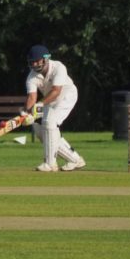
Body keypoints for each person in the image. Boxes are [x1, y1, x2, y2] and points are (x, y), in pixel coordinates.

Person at [23, 44, 85, 172]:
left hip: (67, 95)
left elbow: (56, 91)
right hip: (49, 100)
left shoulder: (58, 67)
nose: (34, 65)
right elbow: (31, 97)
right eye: (32, 62)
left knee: (50, 123)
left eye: (36, 61)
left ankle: (50, 163)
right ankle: (75, 159)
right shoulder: (31, 76)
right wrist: (27, 114)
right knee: (40, 130)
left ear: (45, 59)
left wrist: (39, 105)